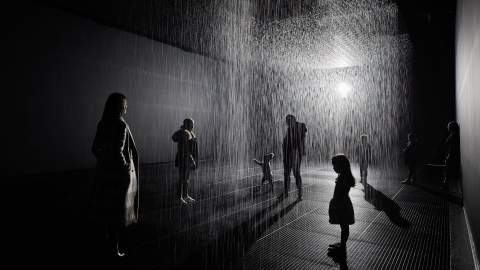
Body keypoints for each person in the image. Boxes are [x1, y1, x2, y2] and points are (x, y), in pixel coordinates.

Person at [91, 92, 139, 257]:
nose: (127, 106)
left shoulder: (102, 123)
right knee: (118, 212)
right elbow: (118, 150)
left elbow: (95, 148)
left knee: (106, 208)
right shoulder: (121, 125)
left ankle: (107, 243)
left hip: (103, 172)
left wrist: (104, 161)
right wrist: (124, 166)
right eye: (125, 103)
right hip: (118, 175)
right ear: (120, 106)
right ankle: (115, 248)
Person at [328, 154, 355, 257]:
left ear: (341, 166)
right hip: (344, 204)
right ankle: (342, 244)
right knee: (344, 226)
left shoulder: (343, 178)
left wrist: (334, 203)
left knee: (344, 226)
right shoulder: (344, 176)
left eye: (334, 166)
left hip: (342, 205)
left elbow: (339, 193)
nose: (333, 168)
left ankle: (342, 247)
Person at [172, 118, 198, 204]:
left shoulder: (189, 133)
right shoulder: (184, 133)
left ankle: (185, 196)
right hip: (184, 158)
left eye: (193, 125)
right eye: (191, 125)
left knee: (186, 178)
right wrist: (192, 160)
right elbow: (185, 149)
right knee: (182, 178)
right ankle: (179, 197)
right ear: (186, 124)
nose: (192, 127)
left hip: (186, 159)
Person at [282, 114, 307, 200]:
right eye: (287, 122)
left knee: (296, 173)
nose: (287, 123)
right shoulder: (290, 129)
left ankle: (300, 194)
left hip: (295, 153)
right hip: (288, 153)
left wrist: (301, 149)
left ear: (293, 120)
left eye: (289, 121)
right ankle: (286, 192)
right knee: (287, 173)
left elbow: (302, 138)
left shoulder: (300, 126)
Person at [442, 121, 460, 190]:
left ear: (451, 127)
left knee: (447, 170)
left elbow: (449, 144)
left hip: (451, 155)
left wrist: (448, 156)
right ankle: (445, 184)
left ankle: (445, 185)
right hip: (451, 154)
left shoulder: (453, 135)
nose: (447, 127)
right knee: (447, 170)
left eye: (449, 126)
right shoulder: (453, 134)